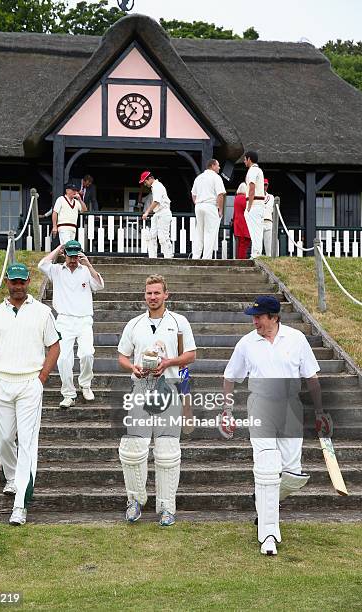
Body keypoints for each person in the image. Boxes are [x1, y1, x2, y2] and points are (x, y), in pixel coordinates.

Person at [221, 295, 332, 556]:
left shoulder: (296, 339)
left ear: (274, 317)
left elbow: (312, 378)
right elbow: (230, 377)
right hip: (260, 406)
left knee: (292, 473)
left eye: (259, 317)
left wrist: (320, 411)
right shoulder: (247, 343)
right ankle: (268, 535)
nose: (254, 321)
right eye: (253, 316)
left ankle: (262, 499)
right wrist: (226, 410)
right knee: (267, 469)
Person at [0, 263, 60, 526]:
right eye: (14, 281)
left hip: (29, 383)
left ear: (28, 282)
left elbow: (54, 347)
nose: (18, 286)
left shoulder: (42, 312)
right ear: (7, 283)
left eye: (22, 281)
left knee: (27, 443)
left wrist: (41, 379)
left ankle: (20, 505)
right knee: (3, 439)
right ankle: (12, 477)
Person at [118, 274, 196, 526]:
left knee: (167, 452)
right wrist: (133, 366)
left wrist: (169, 363)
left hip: (169, 388)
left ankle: (166, 507)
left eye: (157, 293)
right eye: (149, 293)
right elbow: (122, 356)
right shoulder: (134, 324)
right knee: (132, 450)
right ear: (145, 295)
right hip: (140, 387)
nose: (153, 297)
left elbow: (191, 356)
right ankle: (135, 501)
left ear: (166, 295)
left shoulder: (179, 322)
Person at [38, 240, 104, 408]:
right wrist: (58, 248)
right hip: (64, 320)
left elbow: (99, 285)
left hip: (84, 319)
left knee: (87, 353)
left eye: (75, 255)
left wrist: (88, 264)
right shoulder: (57, 270)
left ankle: (85, 384)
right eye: (70, 255)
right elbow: (41, 264)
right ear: (64, 255)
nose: (73, 259)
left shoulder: (85, 271)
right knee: (63, 360)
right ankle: (68, 394)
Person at [191, 159, 225, 259]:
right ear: (213, 165)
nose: (219, 168)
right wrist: (220, 210)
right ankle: (206, 258)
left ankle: (196, 257)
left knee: (199, 232)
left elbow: (193, 194)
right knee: (210, 233)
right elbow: (220, 195)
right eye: (218, 165)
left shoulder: (199, 177)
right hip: (210, 206)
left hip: (199, 206)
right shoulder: (216, 177)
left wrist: (197, 203)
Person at [140, 171, 173, 259]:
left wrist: (146, 212)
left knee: (163, 237)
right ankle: (152, 257)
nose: (145, 184)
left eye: (145, 182)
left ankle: (168, 257)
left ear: (150, 178)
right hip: (157, 213)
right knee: (151, 236)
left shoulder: (157, 186)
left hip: (163, 212)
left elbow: (156, 201)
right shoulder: (154, 187)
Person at [243, 151, 265, 259]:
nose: (244, 161)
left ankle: (256, 254)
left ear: (249, 159)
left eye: (245, 159)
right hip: (258, 204)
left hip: (254, 203)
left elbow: (252, 188)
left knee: (254, 230)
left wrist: (249, 206)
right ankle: (256, 253)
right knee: (257, 230)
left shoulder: (252, 170)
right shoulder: (258, 170)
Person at [232, 182, 251, 259]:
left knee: (240, 243)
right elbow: (247, 209)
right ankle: (242, 260)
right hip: (244, 223)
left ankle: (240, 258)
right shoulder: (244, 198)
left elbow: (235, 212)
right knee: (244, 242)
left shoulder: (236, 198)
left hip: (237, 223)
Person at [263, 179, 275, 257]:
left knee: (269, 244)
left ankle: (268, 259)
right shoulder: (256, 196)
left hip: (269, 221)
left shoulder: (271, 197)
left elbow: (274, 210)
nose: (264, 186)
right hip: (259, 222)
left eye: (266, 185)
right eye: (263, 184)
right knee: (258, 245)